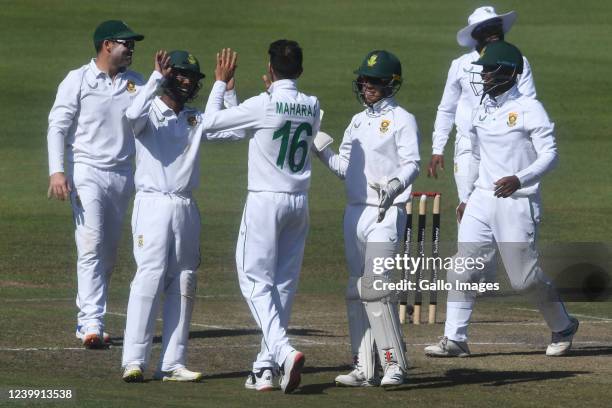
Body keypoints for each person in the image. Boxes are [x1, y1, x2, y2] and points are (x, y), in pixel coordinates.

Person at [424, 41, 578, 358]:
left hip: (517, 200)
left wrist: (519, 178)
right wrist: (468, 196)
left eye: (489, 71)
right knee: (463, 266)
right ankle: (455, 338)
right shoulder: (482, 107)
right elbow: (477, 156)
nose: (484, 77)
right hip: (482, 198)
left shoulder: (529, 109)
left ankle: (562, 325)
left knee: (523, 280)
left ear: (509, 72)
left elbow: (550, 156)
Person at [201, 41, 321, 394]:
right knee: (282, 286)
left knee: (254, 283)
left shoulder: (264, 104)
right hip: (299, 203)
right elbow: (254, 130)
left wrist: (221, 83)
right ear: (299, 70)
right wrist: (243, 102)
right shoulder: (313, 106)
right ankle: (264, 368)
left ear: (270, 70)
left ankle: (282, 351)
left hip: (265, 202)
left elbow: (209, 125)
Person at [120, 50, 244, 382]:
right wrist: (154, 80)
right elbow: (131, 116)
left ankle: (173, 363)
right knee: (149, 276)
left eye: (192, 78)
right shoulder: (148, 112)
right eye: (182, 76)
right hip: (153, 204)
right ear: (169, 78)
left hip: (185, 206)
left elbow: (235, 131)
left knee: (185, 279)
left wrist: (227, 89)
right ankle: (134, 360)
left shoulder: (194, 118)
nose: (188, 83)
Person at [314, 50, 420, 387]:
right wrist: (321, 150)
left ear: (392, 84)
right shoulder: (357, 122)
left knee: (375, 288)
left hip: (387, 212)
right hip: (355, 211)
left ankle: (393, 365)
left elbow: (413, 163)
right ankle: (364, 367)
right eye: (364, 79)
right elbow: (345, 169)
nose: (366, 85)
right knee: (355, 288)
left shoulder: (403, 119)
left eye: (374, 80)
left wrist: (395, 185)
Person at [46, 20, 145, 348]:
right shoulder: (79, 79)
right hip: (85, 171)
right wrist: (57, 172)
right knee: (90, 243)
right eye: (125, 44)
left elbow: (152, 121)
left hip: (122, 175)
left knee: (108, 251)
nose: (130, 49)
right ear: (106, 45)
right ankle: (90, 321)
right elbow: (57, 126)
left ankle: (89, 317)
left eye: (132, 45)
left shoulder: (135, 83)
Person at [428, 6, 536, 219]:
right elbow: (446, 108)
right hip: (468, 146)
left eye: (496, 26)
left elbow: (528, 103)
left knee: (505, 211)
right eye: (486, 29)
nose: (494, 32)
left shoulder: (518, 61)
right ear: (475, 36)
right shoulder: (460, 65)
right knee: (468, 209)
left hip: (505, 147)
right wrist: (437, 147)